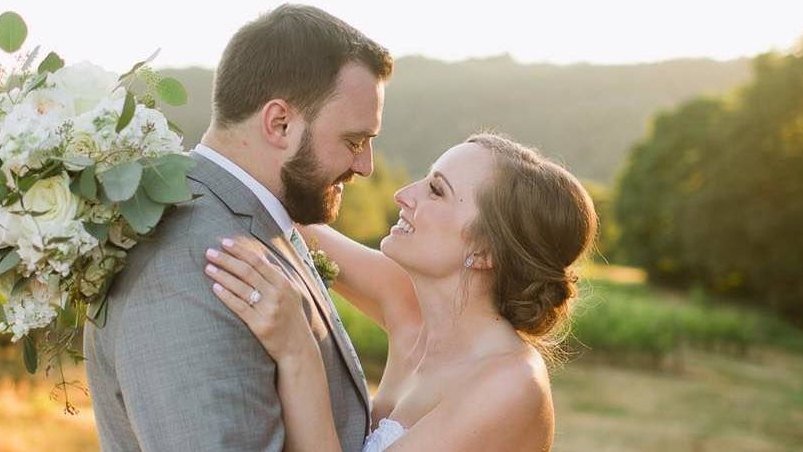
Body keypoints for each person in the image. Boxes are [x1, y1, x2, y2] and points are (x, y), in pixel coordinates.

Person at [84, 4, 393, 452]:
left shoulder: (247, 222)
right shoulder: (191, 258)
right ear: (279, 123)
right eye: (354, 141)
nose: (365, 166)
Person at [206, 133, 599, 452]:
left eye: (436, 190)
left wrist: (297, 351)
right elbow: (275, 215)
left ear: (484, 251)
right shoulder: (406, 300)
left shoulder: (509, 385)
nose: (404, 194)